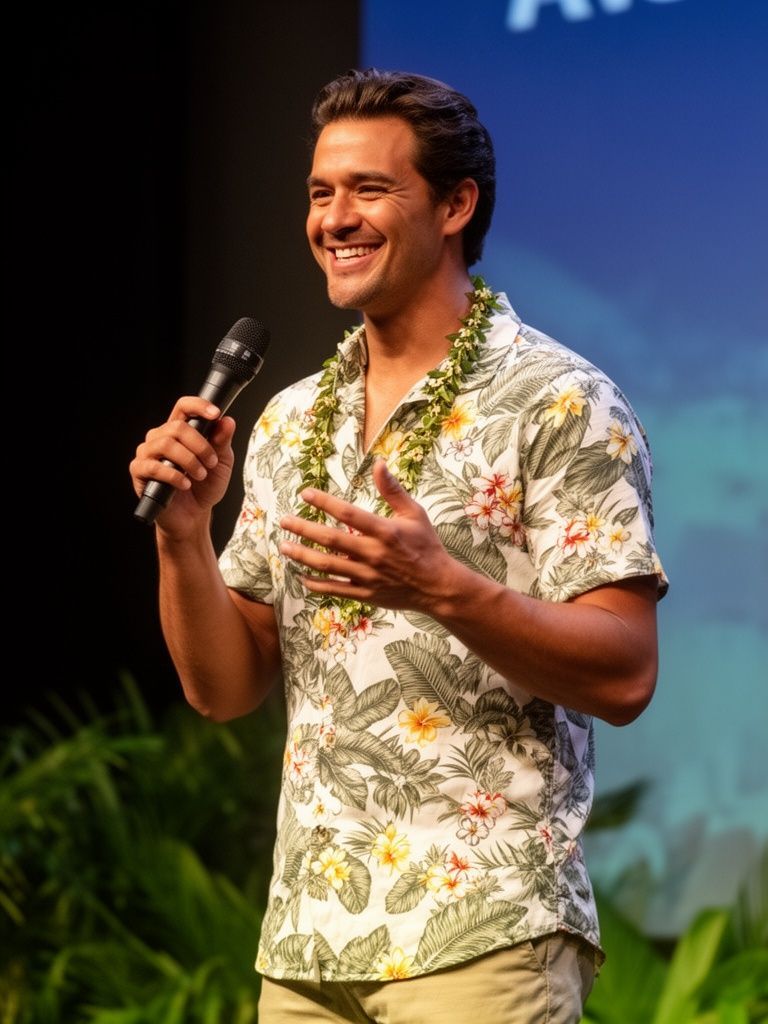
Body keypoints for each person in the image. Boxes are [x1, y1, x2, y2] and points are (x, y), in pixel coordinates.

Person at [130, 68, 668, 1024]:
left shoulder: (561, 401)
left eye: (369, 190)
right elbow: (223, 689)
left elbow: (626, 674)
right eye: (319, 192)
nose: (335, 217)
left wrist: (446, 589)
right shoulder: (291, 419)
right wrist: (184, 539)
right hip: (307, 943)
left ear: (456, 205)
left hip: (485, 931)